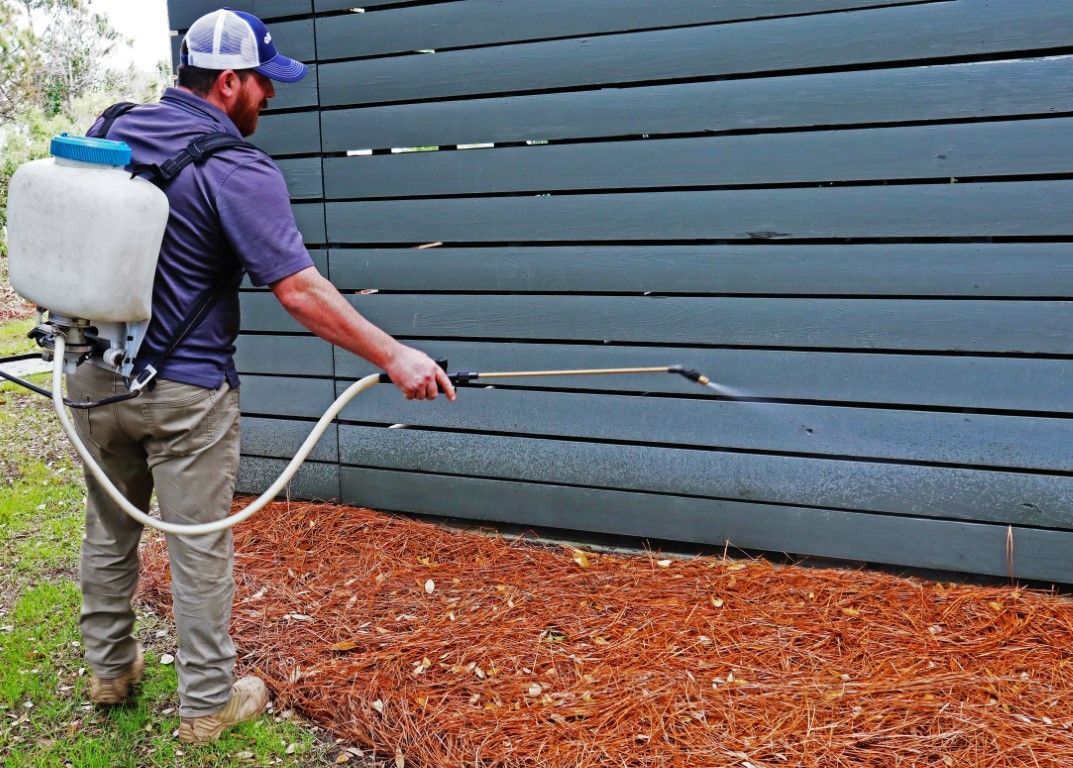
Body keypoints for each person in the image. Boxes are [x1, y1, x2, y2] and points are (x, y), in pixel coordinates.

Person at [66, 7, 455, 745]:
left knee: (109, 529)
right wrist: (395, 357)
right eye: (262, 85)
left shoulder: (114, 124)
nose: (269, 99)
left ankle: (110, 670)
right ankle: (209, 704)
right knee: (198, 542)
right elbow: (299, 289)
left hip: (94, 380)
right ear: (230, 82)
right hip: (184, 395)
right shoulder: (235, 166)